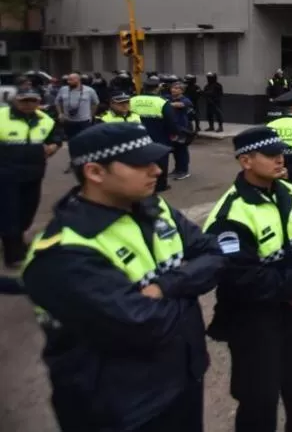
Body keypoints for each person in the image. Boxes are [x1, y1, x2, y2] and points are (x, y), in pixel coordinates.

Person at [21, 122, 225, 432]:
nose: (157, 170)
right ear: (95, 172)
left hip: (183, 379)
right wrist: (189, 285)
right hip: (122, 409)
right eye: (140, 163)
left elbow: (215, 255)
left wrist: (167, 285)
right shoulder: (64, 252)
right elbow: (143, 327)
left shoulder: (154, 208)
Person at [203, 127, 292, 432]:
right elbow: (240, 279)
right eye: (270, 155)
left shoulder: (291, 193)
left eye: (281, 153)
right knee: (258, 395)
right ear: (246, 161)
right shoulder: (230, 215)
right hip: (254, 320)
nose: (280, 160)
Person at [0, 88, 61, 268]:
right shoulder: (2, 116)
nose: (28, 104)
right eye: (24, 100)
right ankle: (13, 254)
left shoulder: (46, 120)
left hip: (33, 175)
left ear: (38, 102)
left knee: (27, 212)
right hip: (6, 174)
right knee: (10, 212)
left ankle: (15, 239)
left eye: (32, 101)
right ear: (16, 101)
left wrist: (53, 146)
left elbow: (56, 138)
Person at [55, 72, 99, 141]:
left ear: (78, 80)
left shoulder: (89, 90)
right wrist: (60, 113)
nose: (68, 82)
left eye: (71, 80)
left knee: (84, 140)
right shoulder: (63, 89)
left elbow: (95, 103)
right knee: (71, 140)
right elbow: (57, 102)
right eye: (68, 80)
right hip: (68, 121)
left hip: (84, 121)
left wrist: (91, 115)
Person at [167, 82, 194, 181]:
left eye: (177, 88)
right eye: (173, 88)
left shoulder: (185, 100)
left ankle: (184, 171)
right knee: (175, 150)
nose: (174, 90)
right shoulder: (168, 98)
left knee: (182, 150)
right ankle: (177, 169)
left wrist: (167, 104)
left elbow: (180, 105)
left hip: (182, 129)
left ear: (182, 91)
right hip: (172, 128)